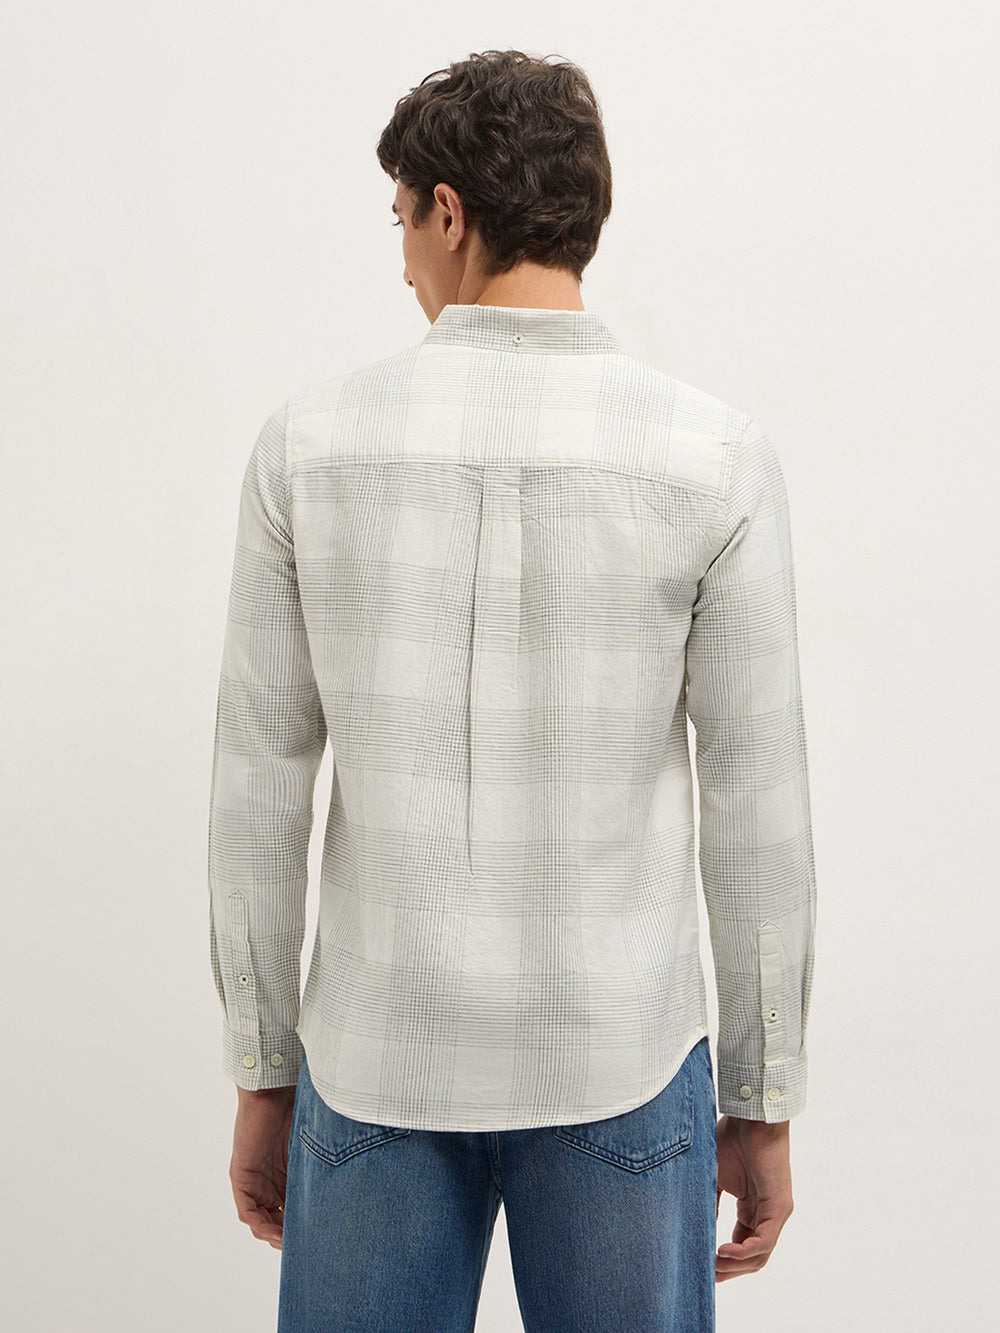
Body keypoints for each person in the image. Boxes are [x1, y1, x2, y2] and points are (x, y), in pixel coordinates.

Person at [208, 48, 817, 1333]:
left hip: (375, 1055)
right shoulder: (711, 457)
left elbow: (259, 785)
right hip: (618, 1051)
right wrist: (760, 1100)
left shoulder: (308, 446)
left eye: (401, 222)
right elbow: (756, 804)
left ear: (450, 211)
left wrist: (262, 1071)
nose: (403, 262)